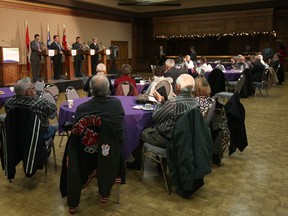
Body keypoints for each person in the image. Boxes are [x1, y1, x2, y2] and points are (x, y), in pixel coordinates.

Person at [127, 74, 199, 170]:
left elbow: (156, 117)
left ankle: (138, 162)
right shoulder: (196, 103)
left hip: (167, 139)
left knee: (138, 130)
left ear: (177, 87)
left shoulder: (173, 103)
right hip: (186, 140)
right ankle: (161, 165)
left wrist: (159, 101)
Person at [74, 74, 124, 142]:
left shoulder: (81, 109)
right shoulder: (116, 104)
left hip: (89, 146)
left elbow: (76, 134)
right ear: (108, 89)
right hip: (114, 145)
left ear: (91, 90)